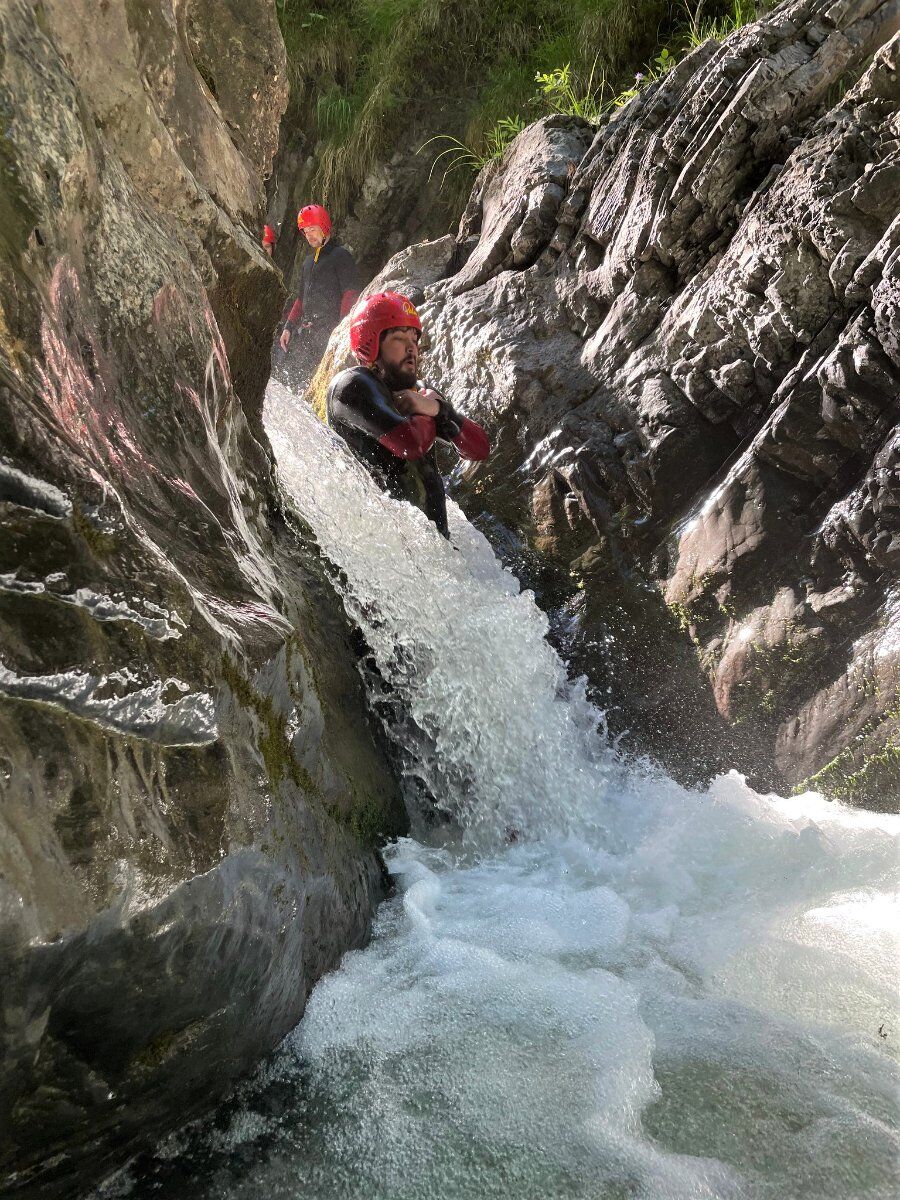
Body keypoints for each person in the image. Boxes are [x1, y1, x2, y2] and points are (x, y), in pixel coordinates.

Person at [326, 291, 490, 537]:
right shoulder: (351, 385)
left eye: (414, 340)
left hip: (429, 548)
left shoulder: (419, 394)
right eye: (399, 338)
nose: (411, 349)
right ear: (371, 343)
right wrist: (425, 408)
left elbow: (479, 450)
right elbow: (410, 444)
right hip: (379, 541)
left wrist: (439, 410)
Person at [277, 204, 359, 390]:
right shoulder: (308, 263)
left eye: (312, 229)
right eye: (305, 232)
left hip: (329, 332)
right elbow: (300, 298)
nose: (309, 235)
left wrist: (340, 332)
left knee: (317, 385)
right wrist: (288, 327)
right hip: (307, 332)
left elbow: (350, 293)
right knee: (289, 381)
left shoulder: (341, 256)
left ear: (324, 227)